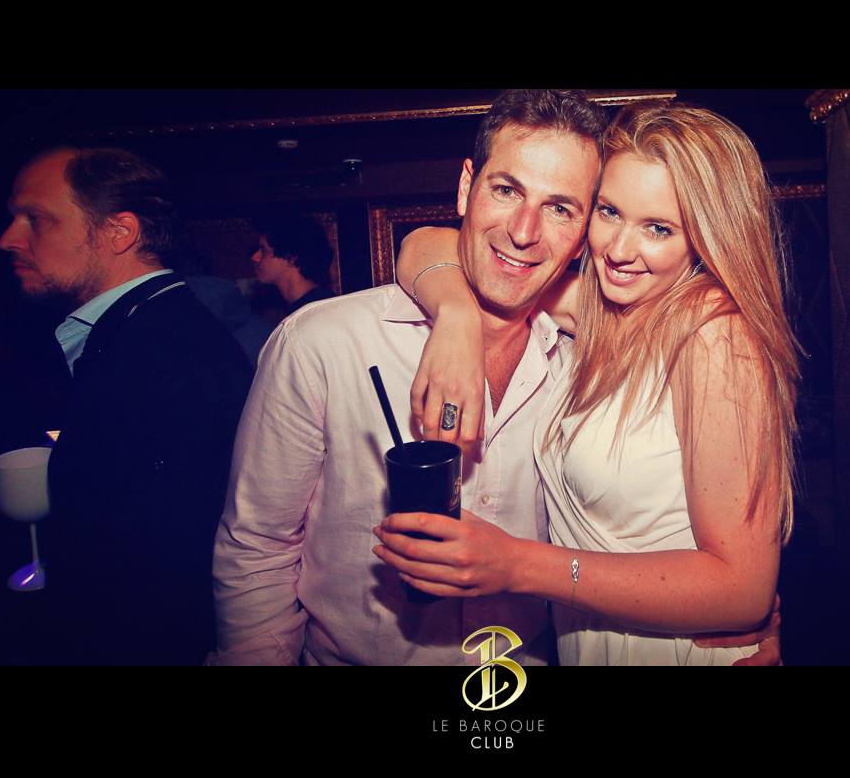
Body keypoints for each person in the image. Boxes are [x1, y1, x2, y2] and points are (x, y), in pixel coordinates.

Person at [212, 90, 779, 666]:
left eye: (561, 208)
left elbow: (735, 577)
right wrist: (455, 316)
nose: (524, 230)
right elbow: (256, 548)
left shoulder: (617, 339)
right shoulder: (324, 342)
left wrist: (734, 606)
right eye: (506, 190)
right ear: (466, 187)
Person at [375, 101, 798, 665]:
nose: (618, 251)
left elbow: (741, 591)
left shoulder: (713, 335)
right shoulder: (603, 313)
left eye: (658, 228)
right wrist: (455, 317)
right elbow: (431, 244)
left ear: (707, 237)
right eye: (609, 211)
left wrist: (516, 564)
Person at [0, 146, 253, 664]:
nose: (9, 239)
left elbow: (160, 563)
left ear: (119, 232)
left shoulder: (166, 348)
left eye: (36, 219)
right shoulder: (140, 330)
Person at [250, 212, 336, 316]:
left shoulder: (318, 311)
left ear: (292, 257)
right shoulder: (296, 308)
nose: (255, 257)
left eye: (264, 250)